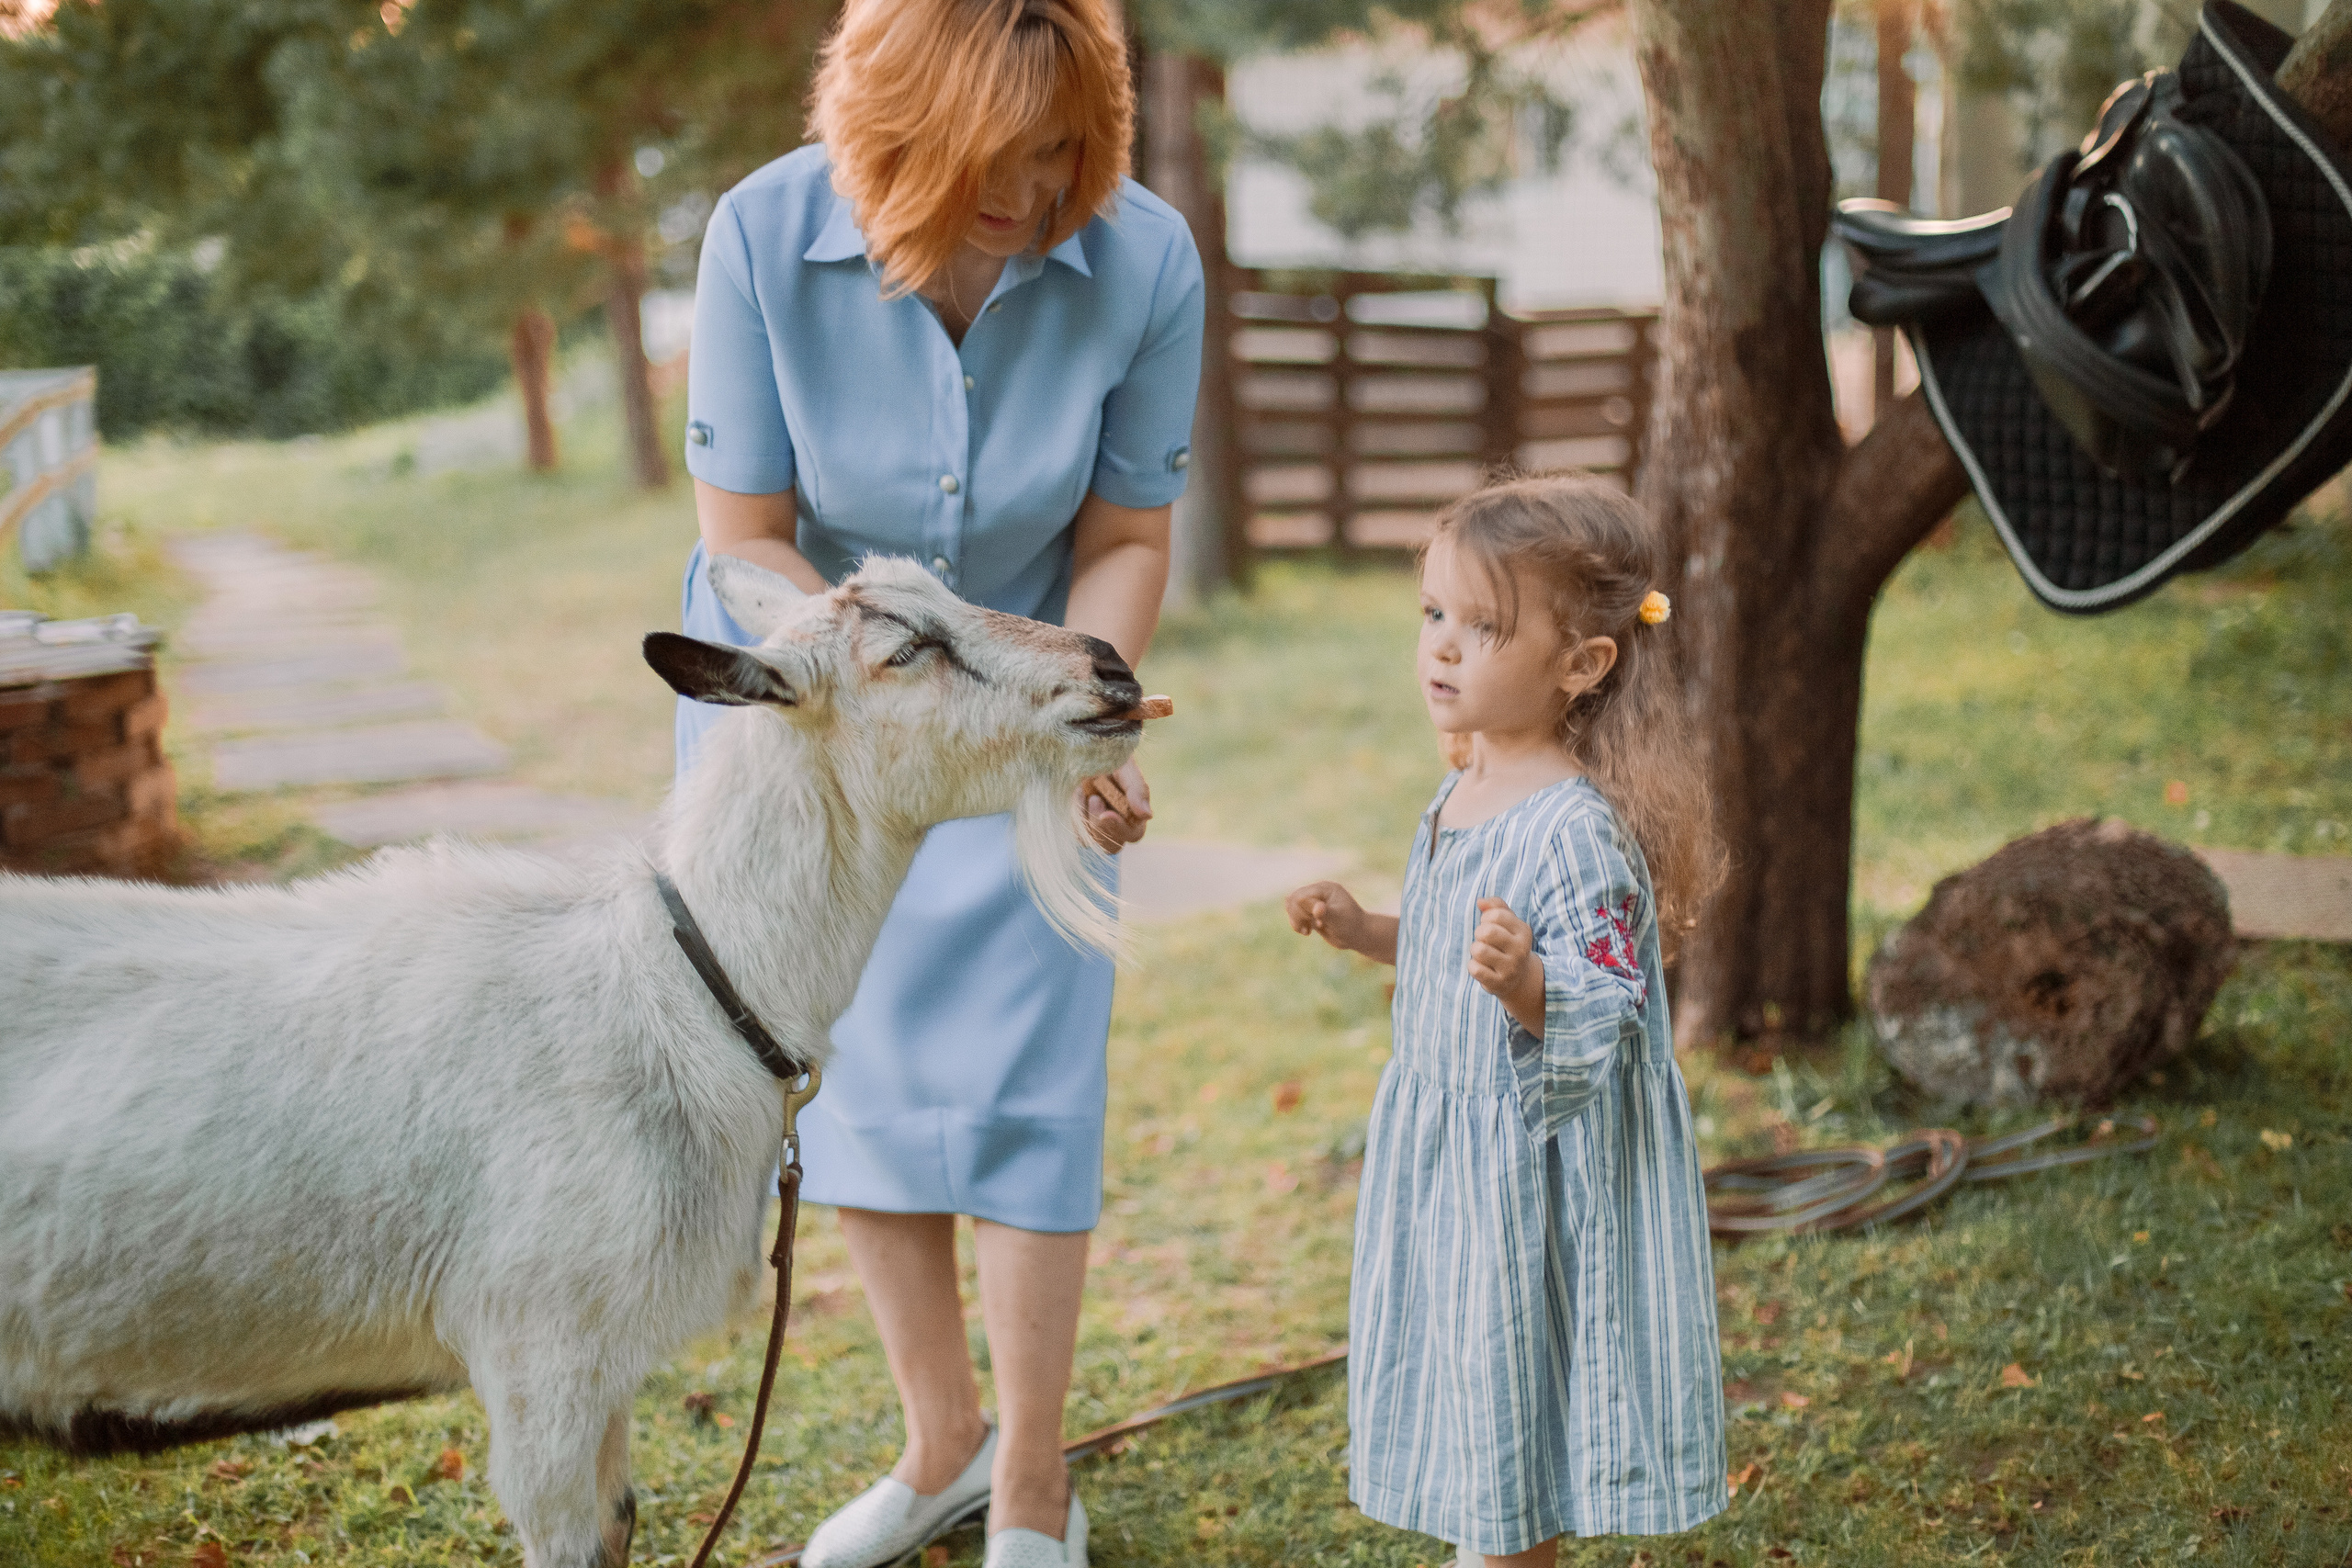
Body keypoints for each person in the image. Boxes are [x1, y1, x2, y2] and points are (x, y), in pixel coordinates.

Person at [672, 0, 1202, 1563]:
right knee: (860, 1067)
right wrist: (875, 693)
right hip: (824, 710)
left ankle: (1031, 1475)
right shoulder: (761, 235)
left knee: (1035, 1076)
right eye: (995, 156)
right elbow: (744, 534)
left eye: (1062, 153)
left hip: (1027, 698)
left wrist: (1086, 715)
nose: (1031, 194)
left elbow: (1126, 536)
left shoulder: (1146, 258)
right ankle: (941, 1440)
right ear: (900, 128)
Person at [1285, 475, 1729, 1567]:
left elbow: (1608, 1000)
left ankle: (1506, 1553)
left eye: (1482, 627)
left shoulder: (1570, 829)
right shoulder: (1463, 789)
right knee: (1467, 1376)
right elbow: (1452, 944)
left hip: (1534, 1175)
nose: (1441, 645)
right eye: (1433, 612)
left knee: (1519, 1379)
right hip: (1455, 1159)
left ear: (1582, 664)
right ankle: (1484, 1544)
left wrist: (1531, 986)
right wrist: (1366, 929)